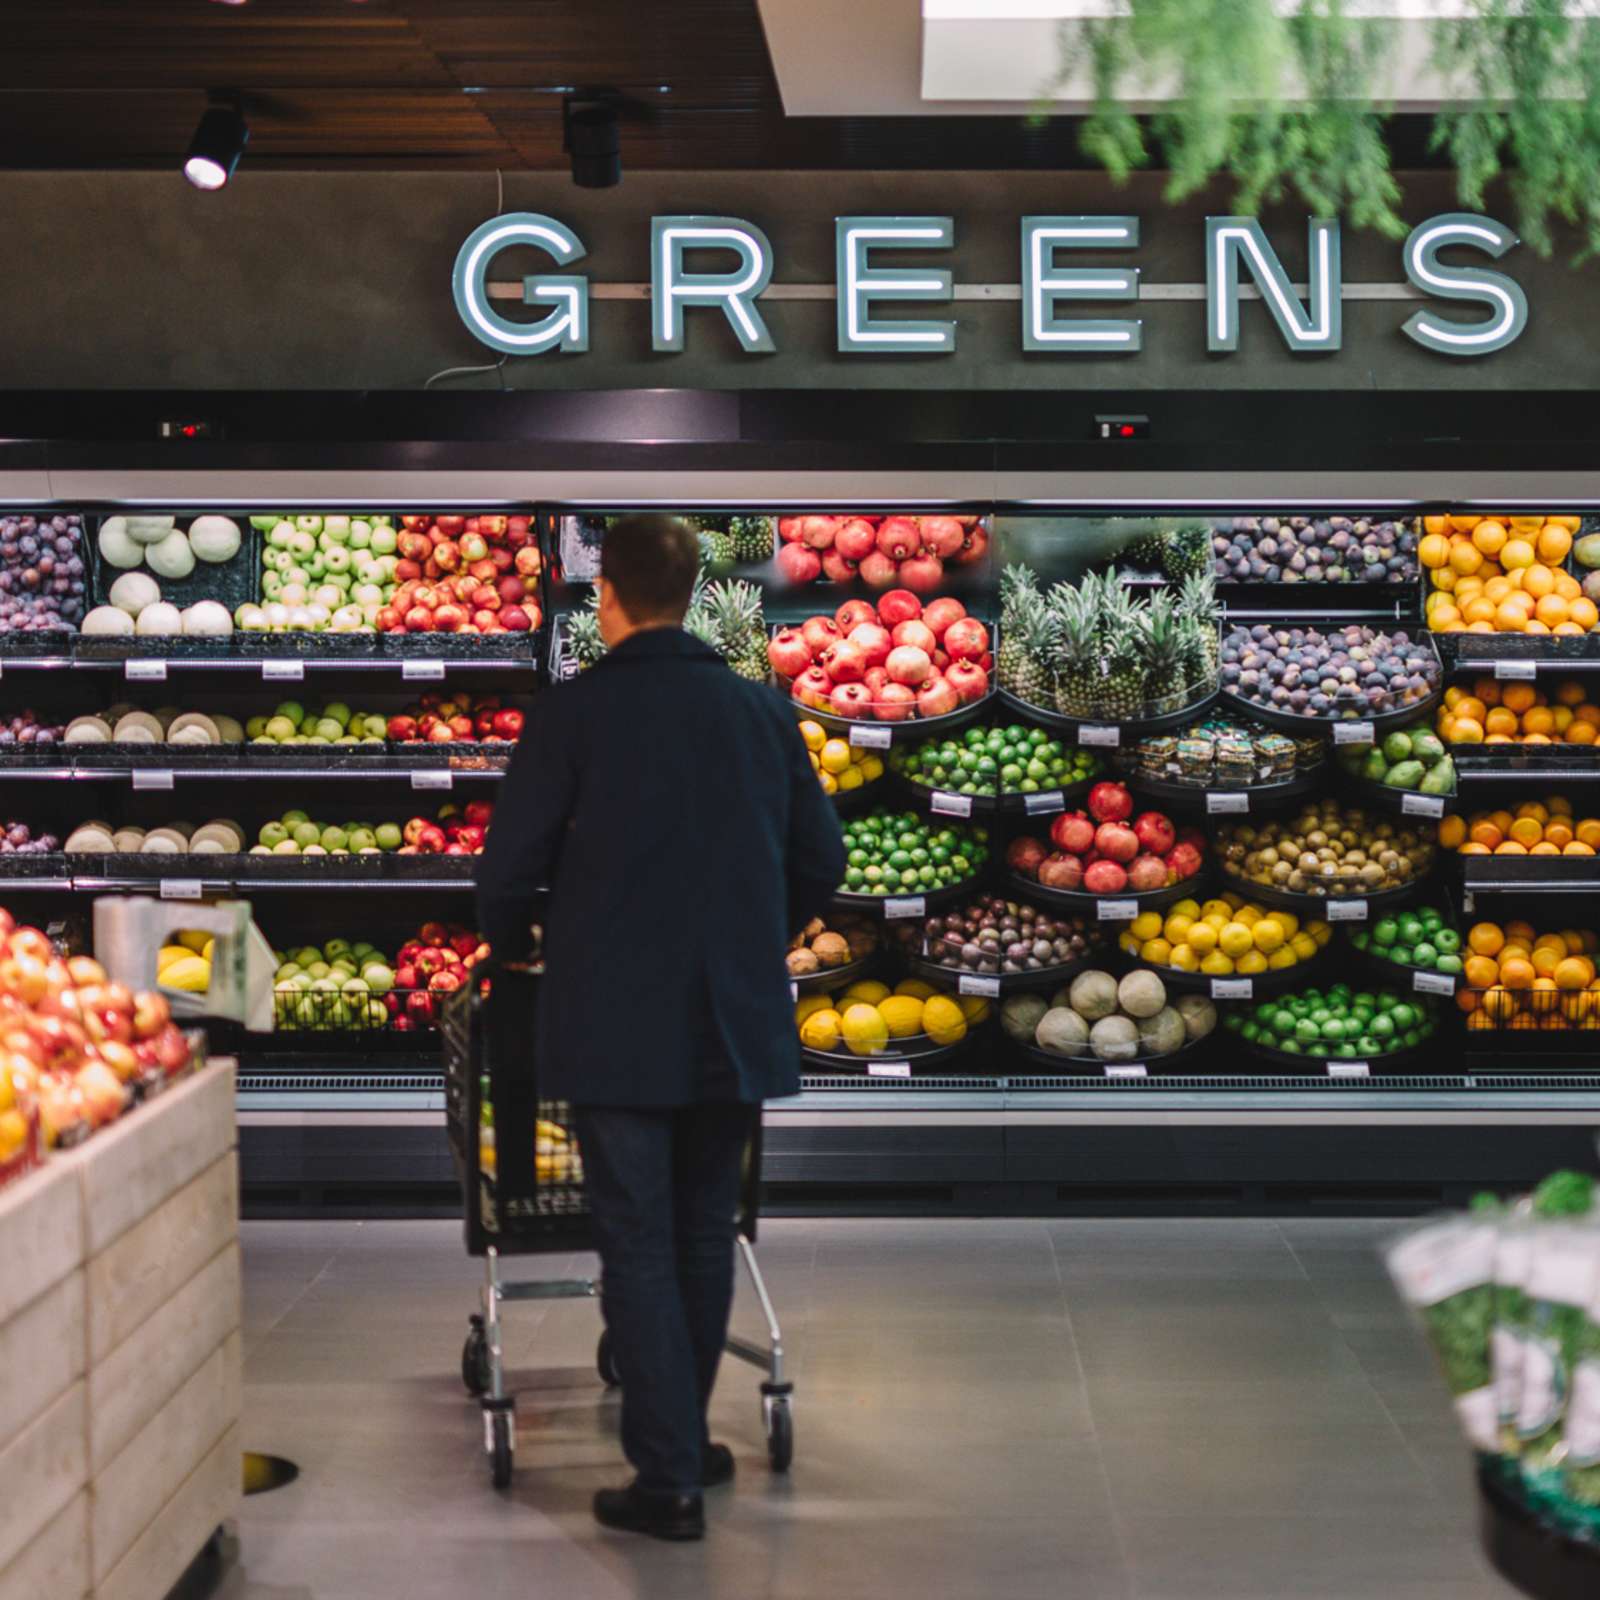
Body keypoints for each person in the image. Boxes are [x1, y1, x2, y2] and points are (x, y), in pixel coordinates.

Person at [476, 514, 845, 1541]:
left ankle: (669, 1474)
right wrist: (756, 932)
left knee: (634, 1238)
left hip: (612, 1015)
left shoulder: (572, 715)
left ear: (610, 596)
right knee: (700, 1229)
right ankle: (685, 1442)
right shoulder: (760, 712)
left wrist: (515, 944)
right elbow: (823, 857)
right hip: (731, 1016)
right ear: (688, 594)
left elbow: (507, 871)